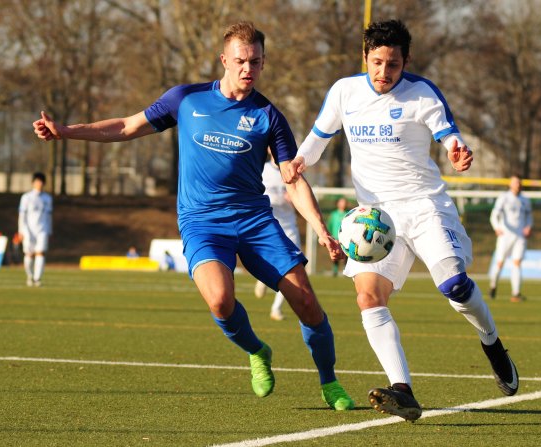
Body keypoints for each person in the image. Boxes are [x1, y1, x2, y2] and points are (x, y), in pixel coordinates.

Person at [32, 21, 353, 411]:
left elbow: (292, 179)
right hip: (202, 222)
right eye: (240, 60)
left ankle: (329, 381)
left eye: (255, 61)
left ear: (264, 62)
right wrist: (65, 131)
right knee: (220, 300)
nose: (247, 68)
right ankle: (257, 350)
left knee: (306, 302)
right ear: (223, 60)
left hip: (254, 222)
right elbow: (126, 126)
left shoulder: (270, 116)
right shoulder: (186, 99)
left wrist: (320, 228)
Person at [282, 19, 518, 421]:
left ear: (406, 60)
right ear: (365, 57)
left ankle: (492, 343)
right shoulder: (344, 92)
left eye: (393, 64)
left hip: (426, 207)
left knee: (455, 287)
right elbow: (317, 141)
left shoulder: (422, 93)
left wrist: (457, 152)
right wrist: (299, 160)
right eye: (376, 63)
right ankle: (402, 390)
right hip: (377, 220)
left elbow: (449, 138)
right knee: (368, 296)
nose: (383, 73)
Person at [253, 155, 302, 322]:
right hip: (269, 226)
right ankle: (263, 279)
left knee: (292, 270)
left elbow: (304, 198)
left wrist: (294, 201)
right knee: (269, 265)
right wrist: (278, 199)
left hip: (290, 228)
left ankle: (276, 308)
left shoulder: (293, 170)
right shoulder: (262, 169)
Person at [489, 175, 533, 302]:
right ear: (510, 184)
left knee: (517, 263)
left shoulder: (525, 200)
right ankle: (493, 285)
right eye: (515, 183)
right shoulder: (504, 198)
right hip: (505, 235)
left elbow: (529, 216)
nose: (517, 185)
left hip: (520, 236)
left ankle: (516, 293)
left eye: (519, 182)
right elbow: (494, 215)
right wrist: (496, 227)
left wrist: (528, 226)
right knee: (500, 262)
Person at [18, 172, 53, 287]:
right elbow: (22, 215)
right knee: (29, 254)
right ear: (33, 183)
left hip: (42, 229)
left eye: (41, 181)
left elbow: (49, 216)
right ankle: (30, 275)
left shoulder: (47, 198)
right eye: (37, 181)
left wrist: (49, 230)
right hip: (28, 229)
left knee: (40, 253)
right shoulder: (26, 197)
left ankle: (37, 278)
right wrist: (21, 230)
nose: (39, 184)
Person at [327, 197, 349, 276]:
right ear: (338, 203)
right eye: (341, 202)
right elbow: (330, 225)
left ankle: (345, 270)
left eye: (344, 202)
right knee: (335, 254)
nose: (343, 204)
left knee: (346, 255)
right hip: (335, 238)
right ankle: (335, 270)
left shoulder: (348, 213)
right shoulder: (334, 214)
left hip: (346, 238)